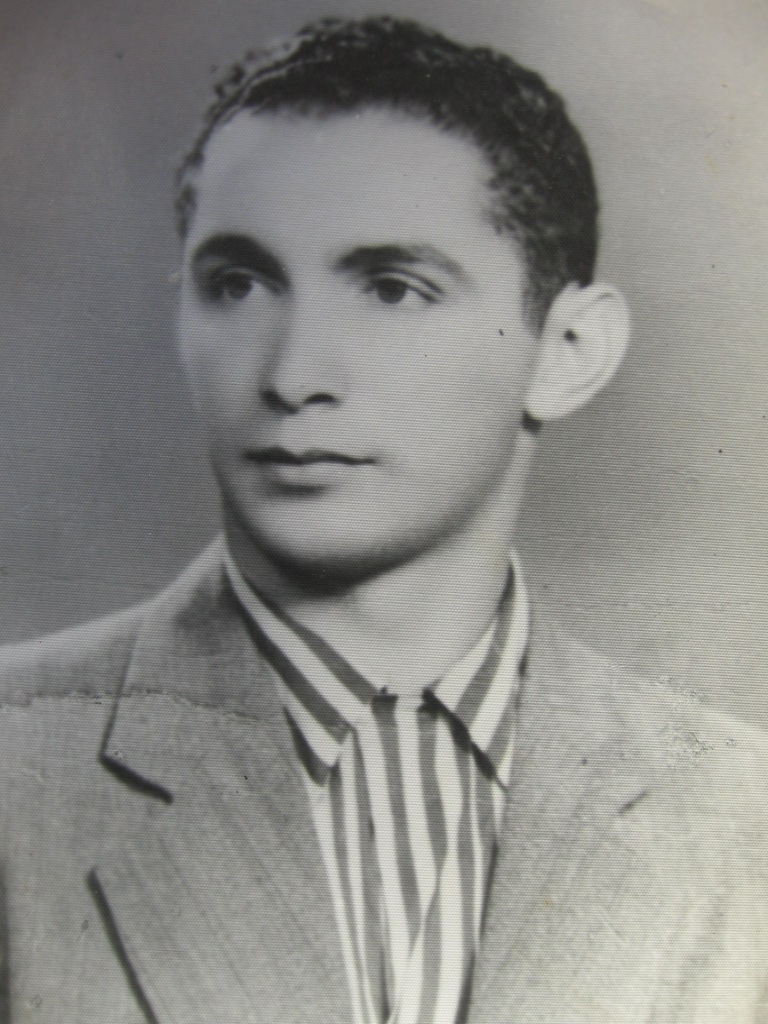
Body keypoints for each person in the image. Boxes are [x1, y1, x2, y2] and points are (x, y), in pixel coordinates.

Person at [0, 15, 766, 1024]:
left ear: (568, 351)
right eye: (238, 284)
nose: (293, 374)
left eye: (394, 290)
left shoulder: (740, 815)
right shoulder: (18, 765)